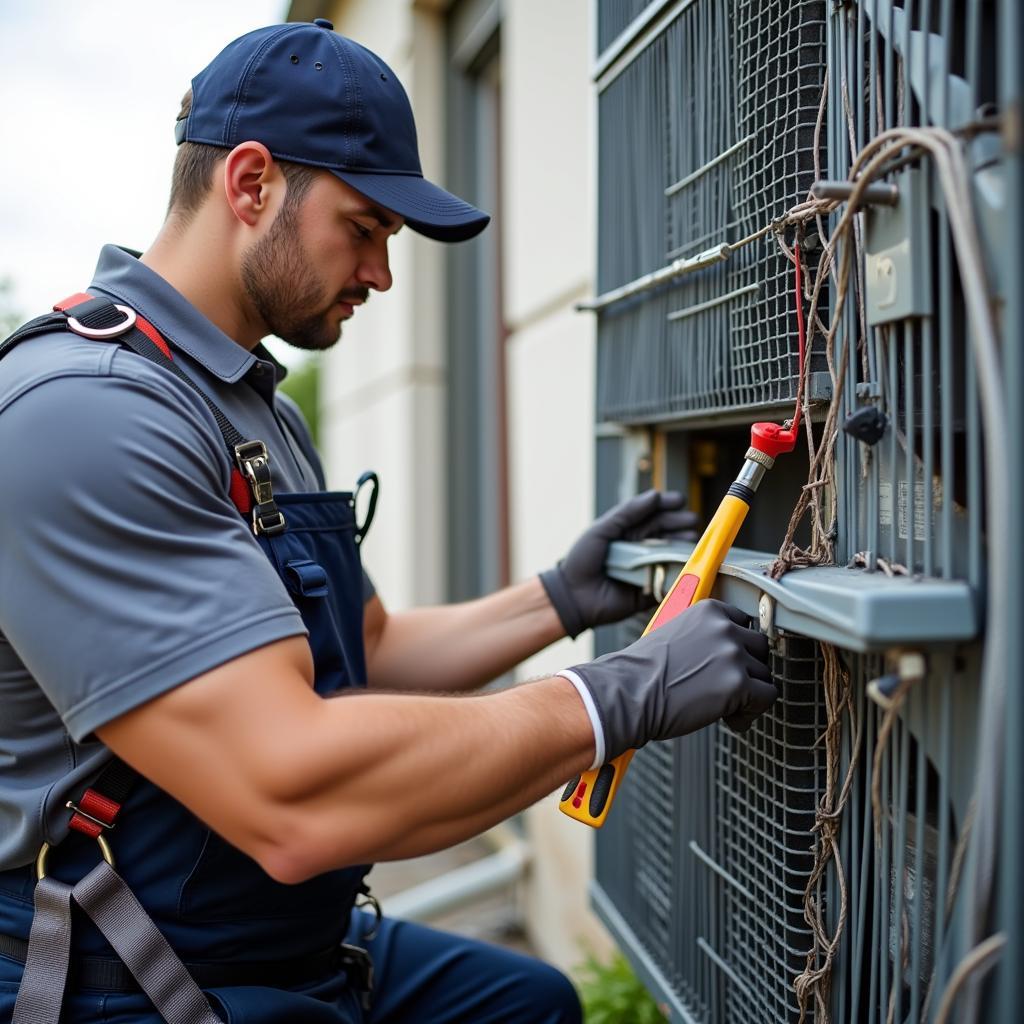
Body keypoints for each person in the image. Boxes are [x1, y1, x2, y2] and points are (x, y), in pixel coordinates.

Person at [0, 20, 777, 1024]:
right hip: (125, 973)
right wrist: (613, 700)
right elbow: (291, 792)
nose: (381, 273)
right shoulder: (86, 413)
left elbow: (364, 650)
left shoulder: (254, 405)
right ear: (250, 184)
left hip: (278, 935)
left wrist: (559, 599)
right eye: (363, 228)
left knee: (530, 1002)